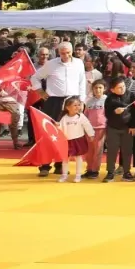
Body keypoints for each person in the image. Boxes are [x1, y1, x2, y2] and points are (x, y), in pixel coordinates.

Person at [29, 40, 86, 177]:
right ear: (58, 52)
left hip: (72, 100)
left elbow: (82, 82)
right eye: (62, 53)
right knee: (48, 133)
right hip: (53, 101)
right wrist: (40, 92)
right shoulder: (51, 64)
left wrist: (82, 101)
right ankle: (44, 166)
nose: (65, 55)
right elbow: (35, 77)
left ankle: (60, 165)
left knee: (66, 134)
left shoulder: (79, 63)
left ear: (72, 51)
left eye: (68, 53)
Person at [56, 96, 94, 182]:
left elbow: (87, 125)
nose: (77, 107)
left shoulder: (81, 117)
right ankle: (64, 175)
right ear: (67, 107)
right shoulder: (64, 117)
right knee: (65, 158)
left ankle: (78, 175)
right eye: (75, 105)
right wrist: (57, 126)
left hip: (78, 140)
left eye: (78, 105)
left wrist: (91, 134)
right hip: (67, 140)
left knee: (78, 157)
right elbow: (60, 128)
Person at [102, 76, 133, 181]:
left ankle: (127, 172)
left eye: (123, 86)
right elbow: (106, 114)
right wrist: (114, 112)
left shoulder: (130, 95)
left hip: (127, 128)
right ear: (112, 89)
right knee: (112, 151)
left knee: (127, 151)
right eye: (119, 87)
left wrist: (133, 126)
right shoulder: (109, 98)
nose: (123, 89)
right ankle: (110, 172)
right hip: (113, 128)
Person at [83, 79, 108, 179]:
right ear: (92, 89)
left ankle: (94, 170)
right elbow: (85, 114)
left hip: (101, 128)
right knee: (89, 150)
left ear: (104, 89)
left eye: (100, 88)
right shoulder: (89, 101)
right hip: (89, 129)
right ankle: (89, 169)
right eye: (96, 88)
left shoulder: (107, 100)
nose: (98, 90)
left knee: (98, 149)